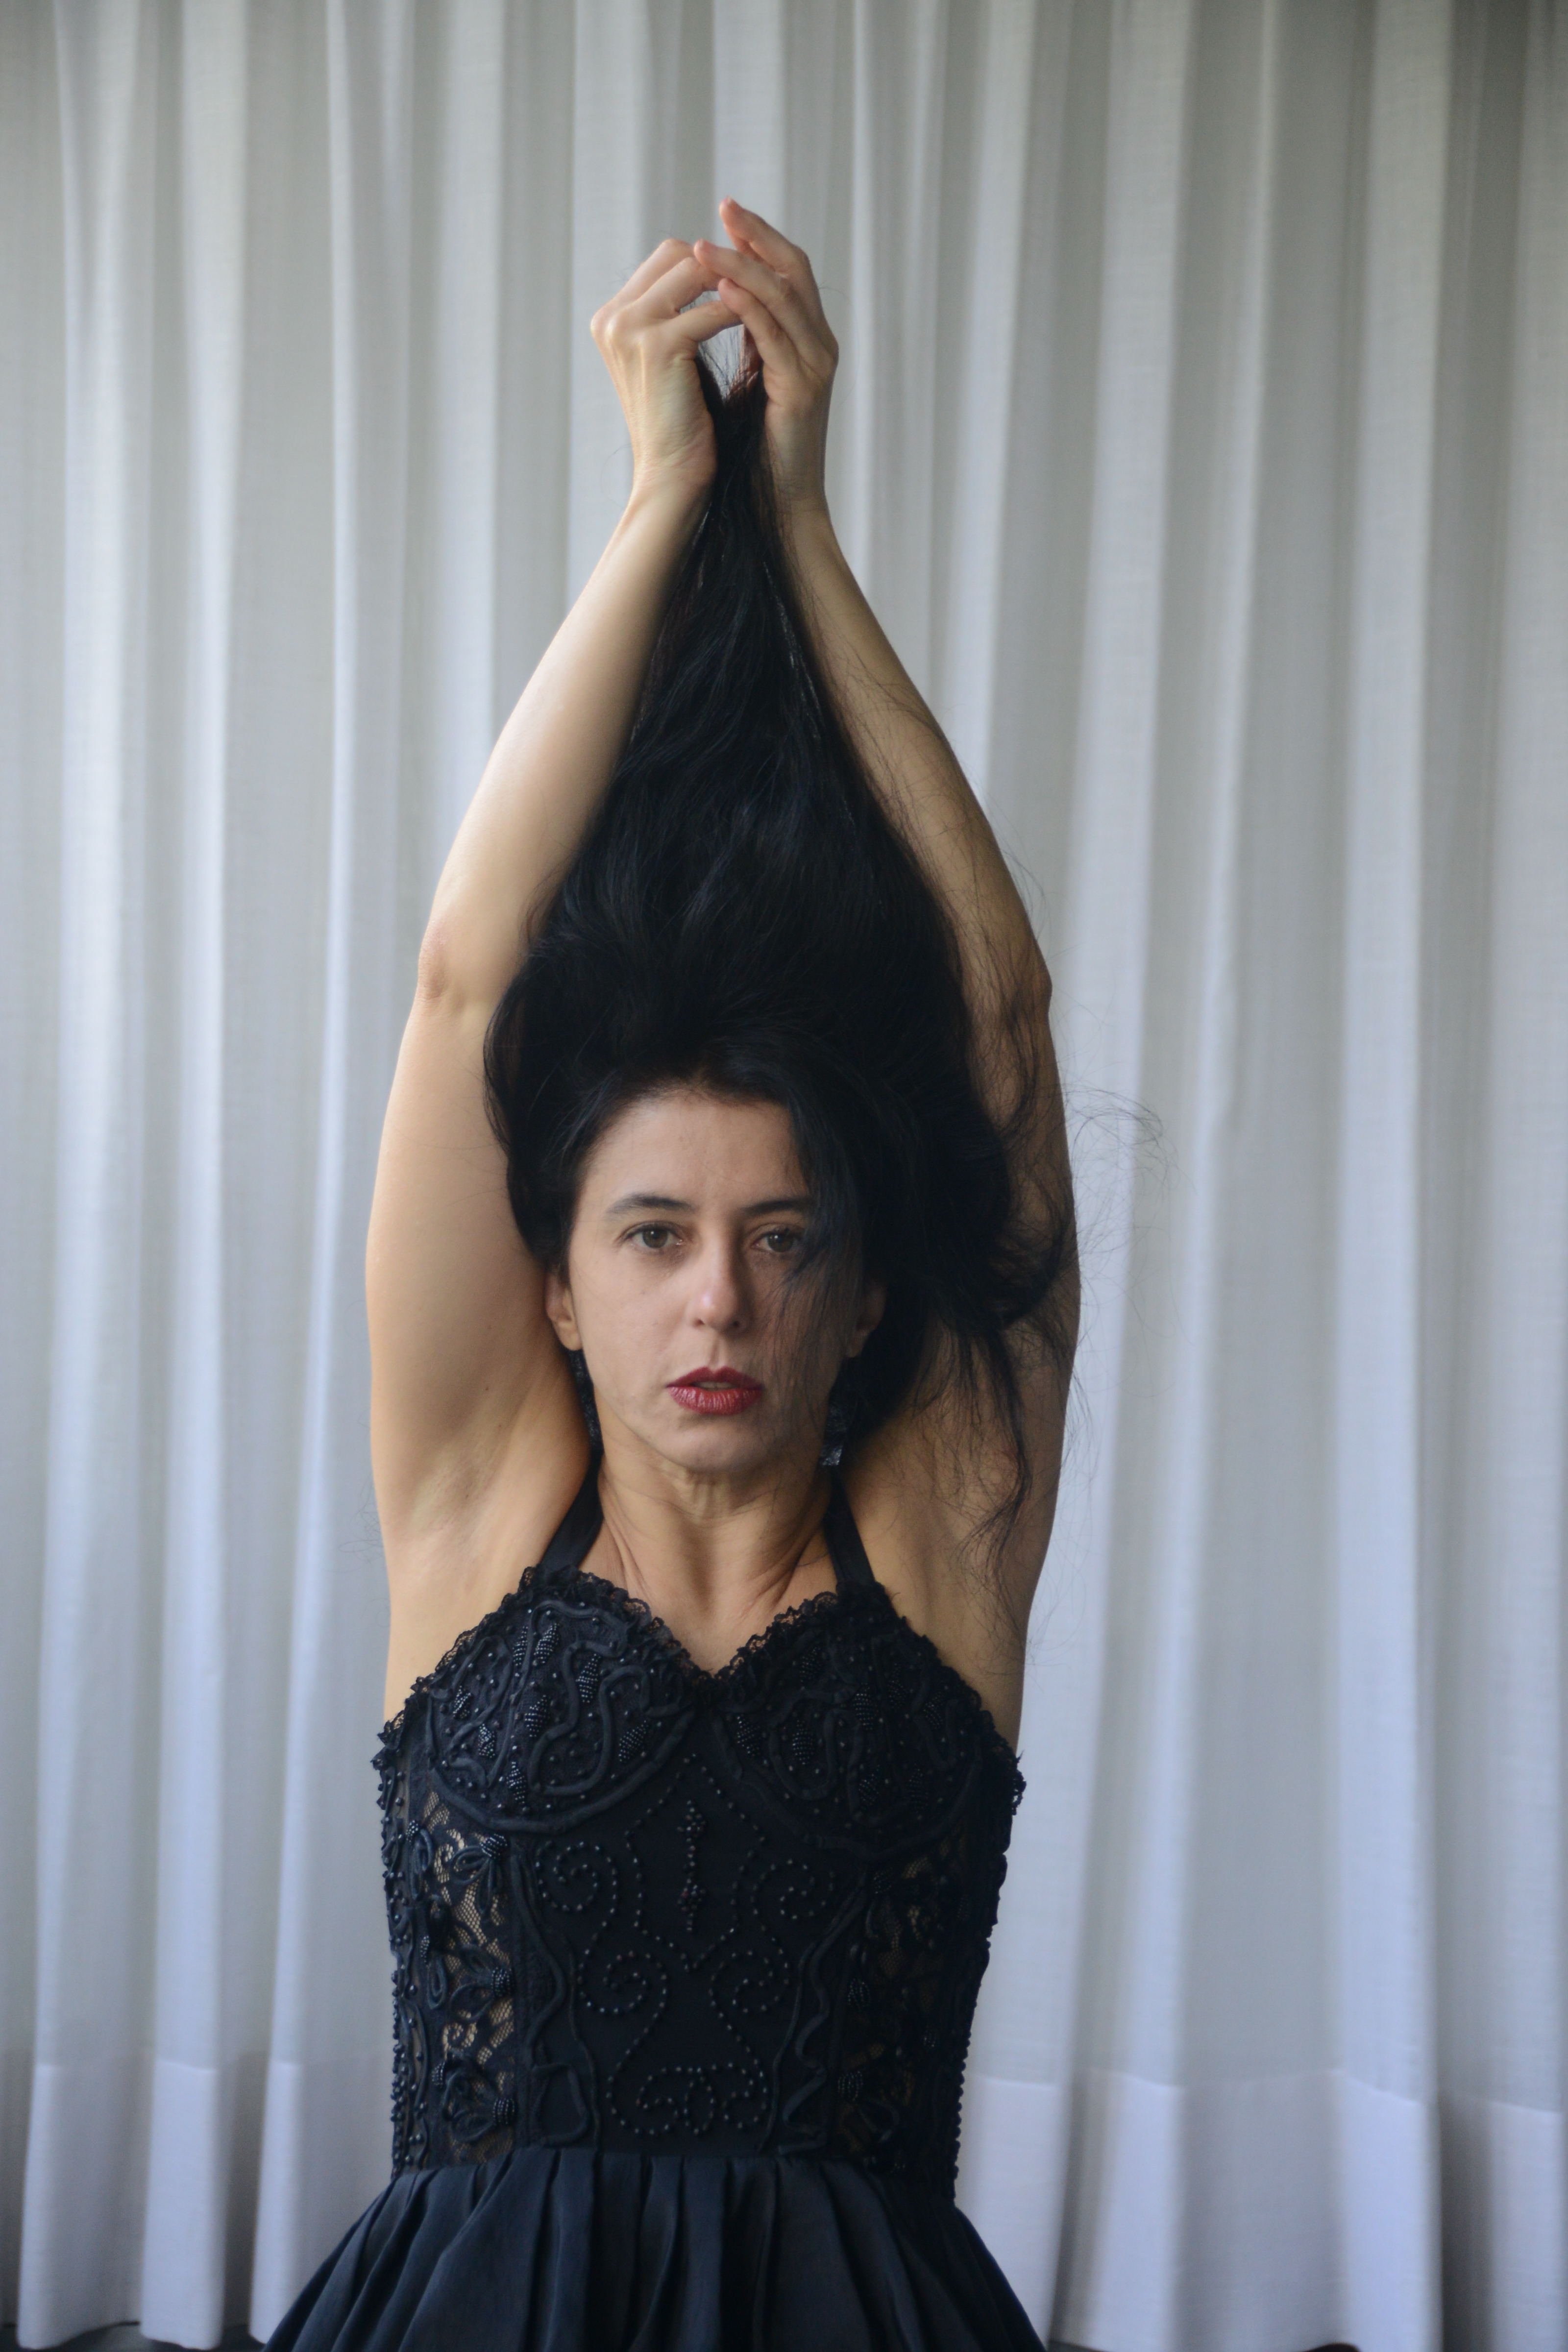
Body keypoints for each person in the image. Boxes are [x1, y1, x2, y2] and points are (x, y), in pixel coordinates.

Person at [268, 198, 1078, 2352]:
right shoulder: (471, 1520)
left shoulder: (943, 1553)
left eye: (779, 1241)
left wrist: (801, 531)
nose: (716, 1300)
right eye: (652, 1237)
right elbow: (466, 986)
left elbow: (1001, 1027)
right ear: (555, 1286)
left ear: (859, 1296)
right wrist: (658, 505)